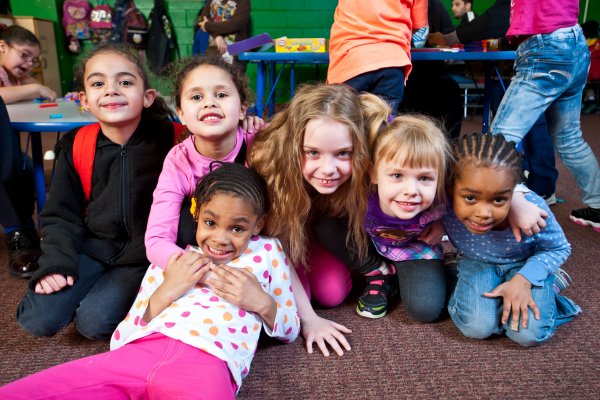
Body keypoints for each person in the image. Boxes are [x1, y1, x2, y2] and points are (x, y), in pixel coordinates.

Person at [0, 163, 299, 399]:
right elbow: (122, 337)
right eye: (210, 223)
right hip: (138, 354)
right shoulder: (174, 259)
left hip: (209, 362)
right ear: (196, 215)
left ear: (257, 225)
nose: (220, 238)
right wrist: (168, 290)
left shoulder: (269, 252)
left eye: (237, 229)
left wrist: (260, 300)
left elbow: (290, 328)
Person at [15, 44, 179, 341]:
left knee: (93, 323)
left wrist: (247, 127)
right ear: (84, 101)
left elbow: (223, 147)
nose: (111, 90)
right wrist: (56, 263)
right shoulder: (76, 144)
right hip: (92, 247)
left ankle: (108, 296)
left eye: (125, 82)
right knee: (37, 319)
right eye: (98, 83)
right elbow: (60, 215)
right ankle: (91, 289)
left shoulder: (175, 140)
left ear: (147, 97)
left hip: (145, 257)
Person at [250, 84, 392, 356]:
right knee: (301, 300)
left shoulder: (371, 152)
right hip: (288, 235)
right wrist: (309, 320)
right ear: (295, 146)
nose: (328, 169)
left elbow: (422, 166)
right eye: (312, 152)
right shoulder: (273, 164)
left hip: (327, 228)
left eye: (343, 153)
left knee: (331, 293)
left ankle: (367, 268)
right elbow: (277, 248)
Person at [443, 132, 581, 346]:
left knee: (526, 335)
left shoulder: (533, 208)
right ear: (450, 190)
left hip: (525, 264)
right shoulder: (443, 204)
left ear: (513, 191)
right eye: (470, 198)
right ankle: (513, 298)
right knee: (476, 327)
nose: (484, 213)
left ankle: (552, 291)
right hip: (476, 262)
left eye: (499, 199)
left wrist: (524, 279)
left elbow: (559, 248)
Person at [427, 0, 560, 204]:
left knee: (505, 132)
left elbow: (496, 17)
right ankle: (541, 185)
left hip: (538, 52)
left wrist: (450, 38)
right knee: (559, 133)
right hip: (557, 47)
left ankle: (506, 189)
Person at [489, 0, 600, 232]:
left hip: (545, 45)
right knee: (569, 137)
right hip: (573, 41)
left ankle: (500, 213)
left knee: (498, 140)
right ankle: (599, 204)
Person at [145, 53, 262, 269]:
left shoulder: (261, 141)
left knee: (328, 292)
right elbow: (157, 239)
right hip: (206, 255)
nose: (209, 103)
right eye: (196, 97)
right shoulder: (179, 161)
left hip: (258, 245)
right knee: (186, 225)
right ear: (181, 114)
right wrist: (202, 271)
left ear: (243, 109)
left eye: (221, 94)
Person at [360, 114, 452, 321]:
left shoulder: (443, 199)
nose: (411, 190)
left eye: (425, 178)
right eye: (397, 175)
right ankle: (379, 275)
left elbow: (478, 193)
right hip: (367, 248)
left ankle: (447, 271)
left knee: (425, 310)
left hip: (412, 248)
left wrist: (444, 224)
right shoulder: (360, 197)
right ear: (373, 173)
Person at [0, 25, 57, 278]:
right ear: (2, 47)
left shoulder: (16, 76)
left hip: (8, 140)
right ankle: (17, 230)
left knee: (25, 167)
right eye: (23, 55)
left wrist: (30, 82)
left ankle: (27, 227)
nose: (28, 63)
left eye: (33, 60)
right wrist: (35, 89)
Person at [327, 0, 428, 114]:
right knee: (383, 127)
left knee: (344, 126)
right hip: (393, 62)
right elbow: (421, 35)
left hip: (351, 59)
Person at [197, 0, 250, 64]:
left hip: (235, 50)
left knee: (232, 73)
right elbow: (204, 20)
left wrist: (207, 25)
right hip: (213, 49)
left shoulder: (243, 1)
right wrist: (217, 36)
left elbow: (235, 25)